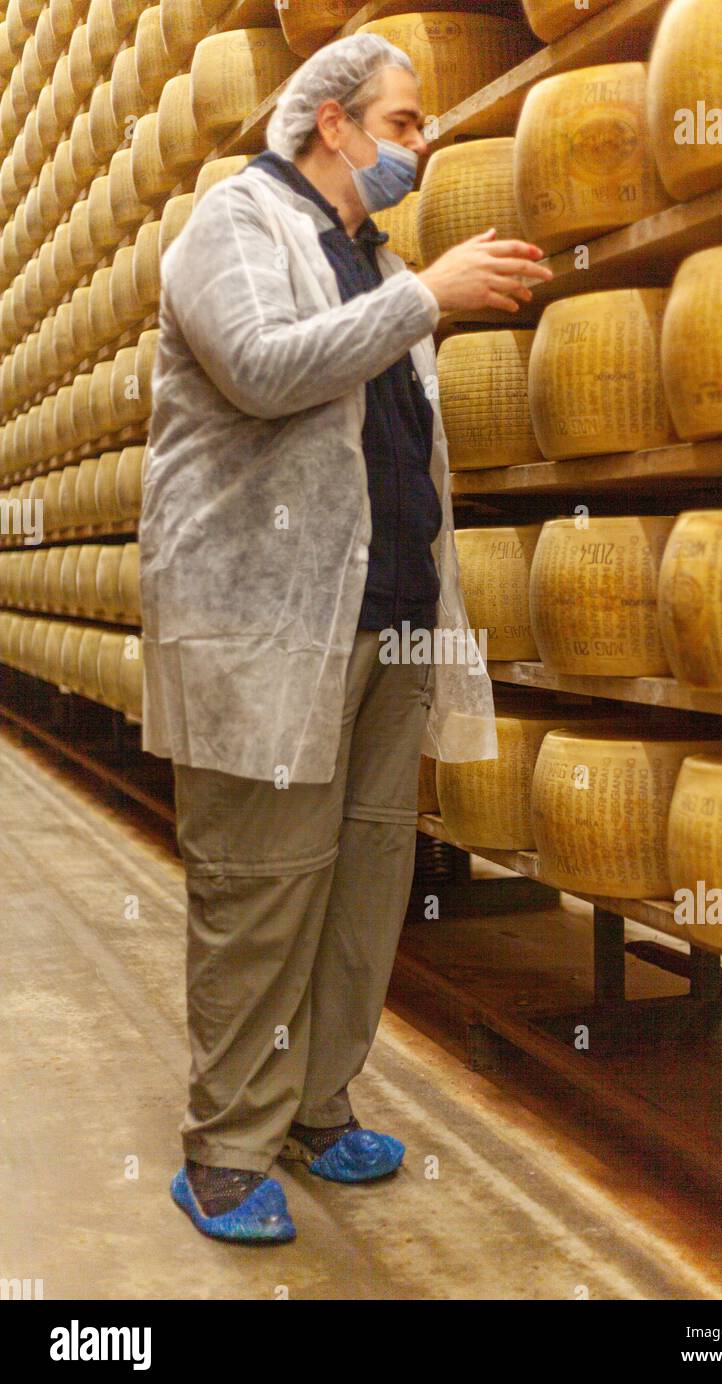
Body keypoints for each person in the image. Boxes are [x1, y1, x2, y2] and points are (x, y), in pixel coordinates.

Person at [138, 32, 553, 1244]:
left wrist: (410, 292)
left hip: (383, 621)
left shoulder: (370, 258)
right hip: (262, 624)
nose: (418, 145)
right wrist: (428, 297)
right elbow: (263, 370)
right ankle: (226, 1147)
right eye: (404, 122)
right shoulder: (235, 226)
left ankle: (317, 1107)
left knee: (363, 877)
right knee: (260, 884)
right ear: (333, 124)